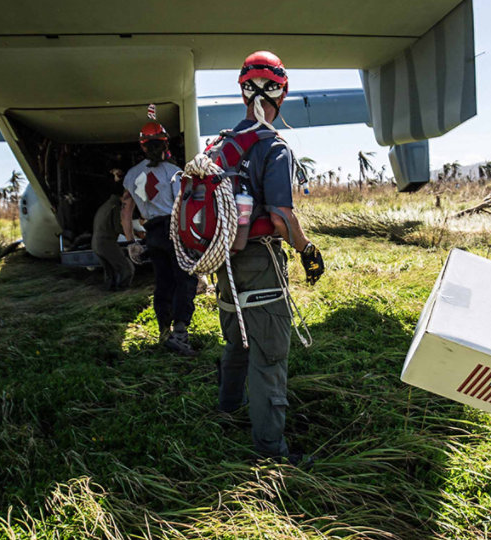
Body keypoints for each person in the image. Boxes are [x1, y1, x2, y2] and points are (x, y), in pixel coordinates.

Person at [215, 50, 324, 461]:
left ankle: (227, 407)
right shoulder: (273, 147)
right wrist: (306, 249)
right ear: (282, 94)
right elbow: (280, 216)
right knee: (270, 356)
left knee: (237, 341)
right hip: (260, 260)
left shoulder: (222, 146)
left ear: (243, 91)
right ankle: (270, 451)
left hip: (223, 261)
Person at [121, 122, 199, 356]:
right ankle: (180, 334)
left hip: (152, 233)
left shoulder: (132, 174)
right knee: (185, 281)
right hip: (173, 230)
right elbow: (181, 208)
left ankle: (164, 331)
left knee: (163, 282)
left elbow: (126, 211)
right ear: (165, 144)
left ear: (143, 147)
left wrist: (131, 242)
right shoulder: (173, 172)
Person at [92, 167, 134, 291]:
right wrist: (134, 234)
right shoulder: (115, 207)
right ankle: (123, 291)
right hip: (106, 243)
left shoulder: (105, 205)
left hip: (96, 243)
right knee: (127, 269)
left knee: (110, 272)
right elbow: (118, 227)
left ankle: (109, 293)